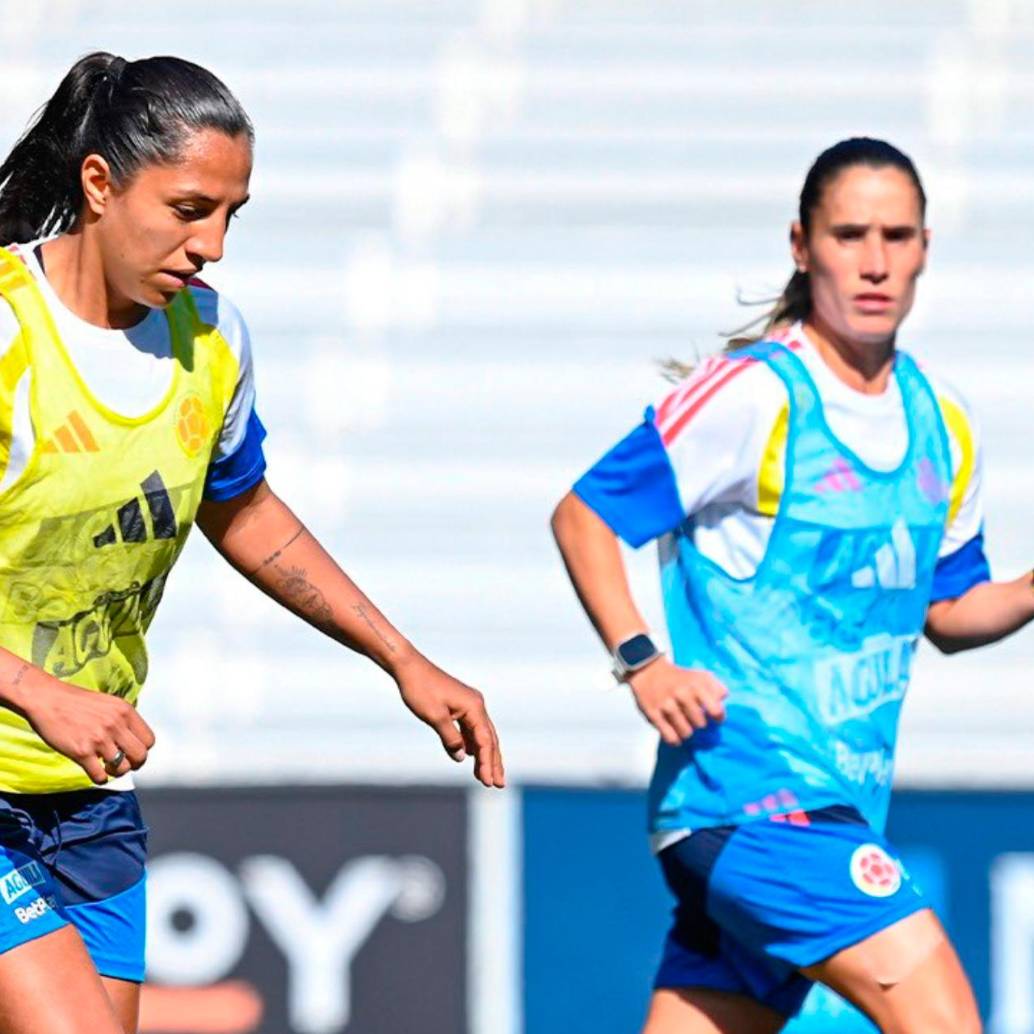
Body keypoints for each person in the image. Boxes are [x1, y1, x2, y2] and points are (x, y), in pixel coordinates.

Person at [0, 51, 504, 1034]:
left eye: (233, 214)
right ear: (99, 183)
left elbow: (243, 510)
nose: (214, 244)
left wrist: (403, 658)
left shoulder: (212, 338)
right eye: (189, 208)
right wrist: (36, 687)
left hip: (87, 798)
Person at [551, 137, 1032, 1033]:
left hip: (830, 806)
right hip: (753, 797)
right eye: (850, 234)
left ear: (926, 246)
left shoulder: (941, 421)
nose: (876, 261)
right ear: (802, 245)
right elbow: (585, 514)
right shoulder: (754, 396)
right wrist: (642, 661)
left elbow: (952, 614)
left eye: (896, 235)